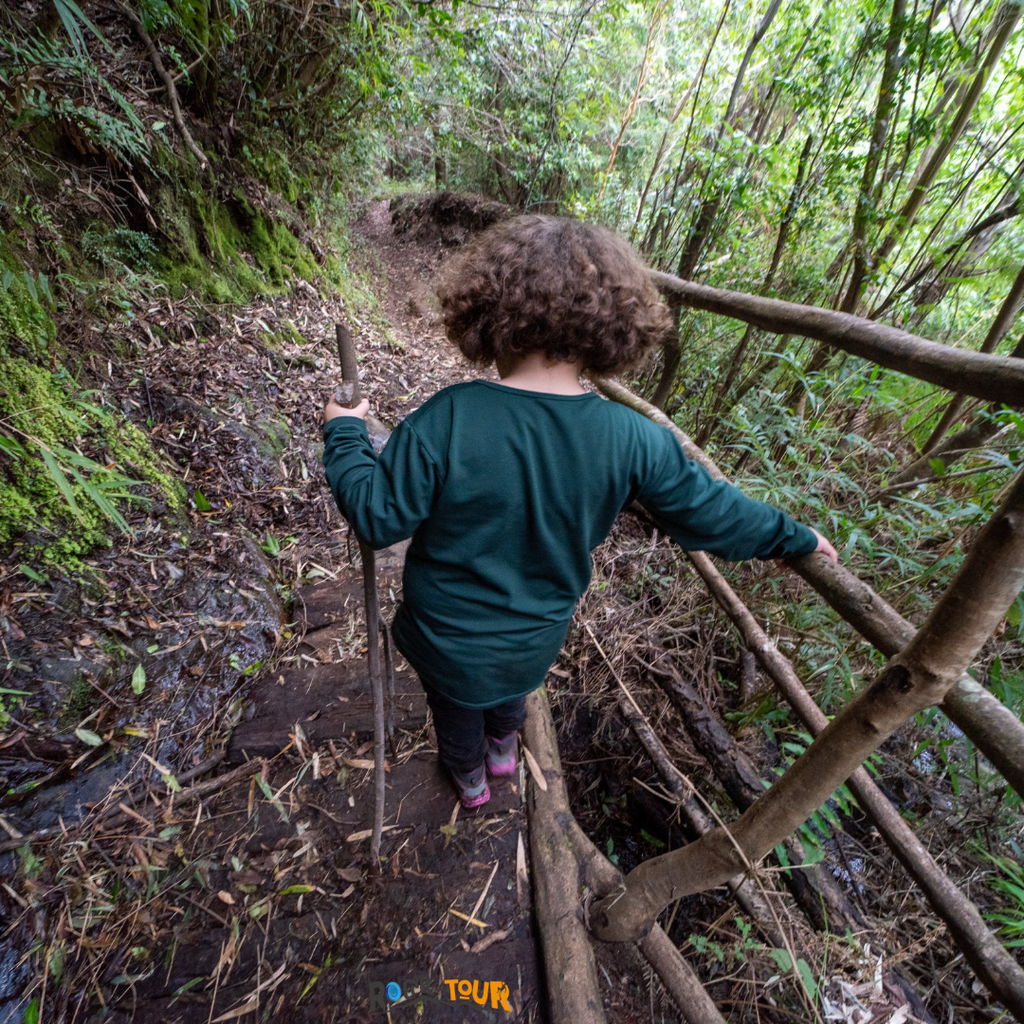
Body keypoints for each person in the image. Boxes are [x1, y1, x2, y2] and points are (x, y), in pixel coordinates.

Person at [322, 215, 837, 809]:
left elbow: (376, 517)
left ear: (489, 309)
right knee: (510, 695)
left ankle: (469, 782)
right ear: (609, 326)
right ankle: (504, 754)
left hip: (448, 640)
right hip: (534, 639)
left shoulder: (450, 415)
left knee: (456, 709)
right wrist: (794, 537)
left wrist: (346, 434)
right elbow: (718, 517)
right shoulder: (633, 438)